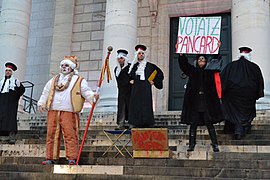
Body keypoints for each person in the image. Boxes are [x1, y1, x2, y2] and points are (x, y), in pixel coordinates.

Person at [37, 55, 99, 165]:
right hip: (53, 110)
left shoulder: (79, 80)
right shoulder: (53, 80)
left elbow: (86, 91)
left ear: (72, 67)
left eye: (66, 65)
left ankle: (72, 157)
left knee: (70, 134)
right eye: (62, 65)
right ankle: (51, 157)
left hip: (69, 111)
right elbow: (45, 92)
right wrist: (42, 103)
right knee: (51, 135)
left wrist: (92, 96)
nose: (64, 67)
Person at [178, 53, 224, 152]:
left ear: (206, 62)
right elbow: (184, 65)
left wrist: (216, 51)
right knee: (193, 124)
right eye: (199, 60)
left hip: (207, 102)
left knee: (209, 123)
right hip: (195, 102)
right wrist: (181, 55)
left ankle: (215, 144)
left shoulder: (210, 71)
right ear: (197, 62)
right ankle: (191, 144)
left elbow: (217, 63)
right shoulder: (193, 71)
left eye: (203, 60)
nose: (201, 61)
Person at [221, 47, 264, 140]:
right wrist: (258, 94)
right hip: (248, 96)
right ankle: (241, 130)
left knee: (234, 112)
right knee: (245, 113)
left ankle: (236, 130)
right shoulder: (254, 67)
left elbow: (223, 80)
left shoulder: (230, 66)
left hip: (233, 96)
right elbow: (259, 81)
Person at [128, 44, 164, 128]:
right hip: (136, 89)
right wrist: (130, 80)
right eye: (139, 53)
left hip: (146, 88)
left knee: (146, 105)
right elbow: (127, 76)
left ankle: (148, 122)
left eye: (142, 53)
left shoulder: (150, 66)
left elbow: (160, 74)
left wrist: (154, 81)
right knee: (135, 104)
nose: (141, 55)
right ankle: (134, 122)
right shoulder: (133, 67)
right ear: (137, 55)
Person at [0, 62, 25, 144]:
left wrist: (19, 87)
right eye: (6, 71)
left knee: (11, 118)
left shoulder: (15, 81)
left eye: (9, 71)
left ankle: (12, 135)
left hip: (11, 103)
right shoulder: (1, 82)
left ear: (11, 72)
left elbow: (21, 91)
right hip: (2, 102)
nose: (7, 72)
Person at [114, 49, 132, 130]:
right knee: (121, 107)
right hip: (121, 91)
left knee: (130, 107)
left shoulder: (130, 68)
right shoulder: (116, 69)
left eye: (121, 58)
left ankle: (132, 123)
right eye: (119, 59)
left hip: (130, 91)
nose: (120, 60)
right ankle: (121, 123)